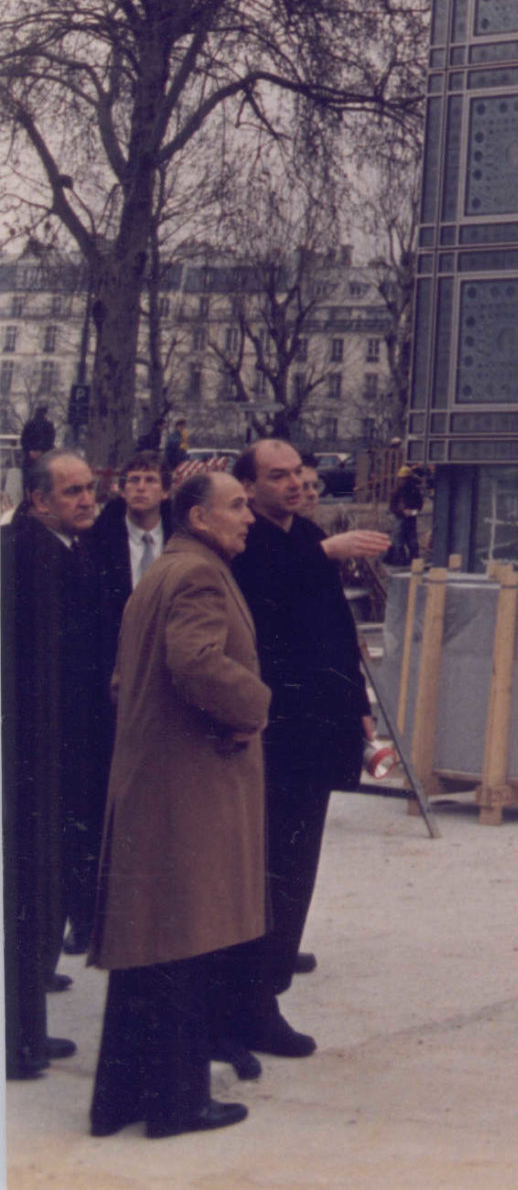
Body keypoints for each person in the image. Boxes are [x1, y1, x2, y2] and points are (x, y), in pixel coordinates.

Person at [87, 467, 269, 1138]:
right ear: (198, 517)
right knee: (187, 943)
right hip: (188, 785)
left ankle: (123, 1100)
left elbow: (121, 677)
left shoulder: (163, 571)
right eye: (236, 505)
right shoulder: (197, 575)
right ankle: (174, 1102)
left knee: (148, 948)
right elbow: (195, 662)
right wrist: (253, 706)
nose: (247, 516)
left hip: (153, 779)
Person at [225, 439, 387, 1050]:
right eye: (277, 476)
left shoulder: (301, 533)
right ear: (249, 486)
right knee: (269, 869)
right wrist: (326, 552)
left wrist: (359, 707)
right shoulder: (251, 540)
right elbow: (263, 594)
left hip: (320, 727)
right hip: (277, 734)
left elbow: (333, 630)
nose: (294, 484)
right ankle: (254, 1003)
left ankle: (268, 982)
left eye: (298, 473)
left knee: (295, 866)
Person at [3, 451, 100, 1078]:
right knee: (32, 896)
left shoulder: (43, 545)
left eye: (90, 488)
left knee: (36, 896)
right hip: (42, 754)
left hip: (42, 751)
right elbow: (39, 667)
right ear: (39, 501)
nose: (87, 500)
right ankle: (20, 1043)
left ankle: (24, 1036)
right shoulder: (35, 555)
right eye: (72, 492)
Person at [88, 449, 174, 670]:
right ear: (123, 490)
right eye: (134, 480)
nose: (141, 487)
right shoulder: (97, 544)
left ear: (165, 492)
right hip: (117, 659)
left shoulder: (181, 540)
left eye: (151, 480)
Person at [387, 461, 425, 565]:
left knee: (412, 540)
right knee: (398, 540)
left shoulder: (414, 490)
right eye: (401, 479)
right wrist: (402, 512)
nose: (402, 481)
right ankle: (400, 559)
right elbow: (392, 507)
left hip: (411, 518)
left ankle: (414, 559)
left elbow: (420, 503)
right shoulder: (397, 492)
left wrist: (414, 510)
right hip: (400, 518)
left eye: (404, 479)